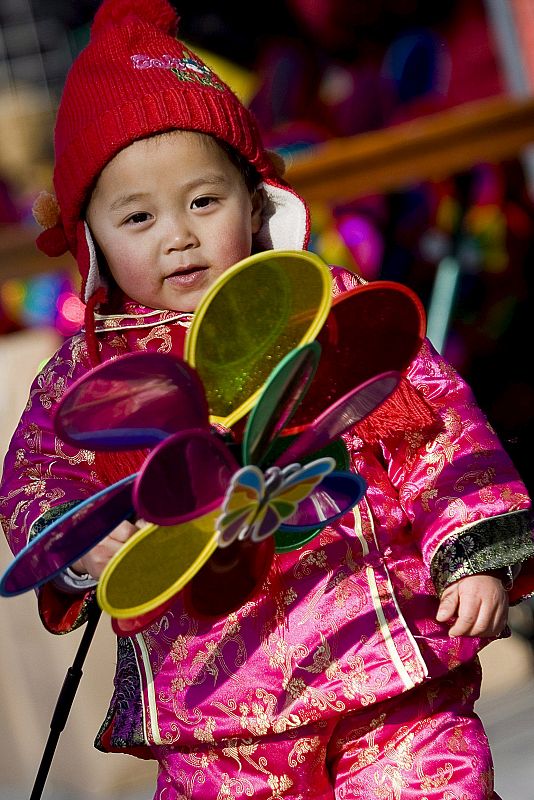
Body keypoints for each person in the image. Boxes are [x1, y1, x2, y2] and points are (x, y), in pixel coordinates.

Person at [1, 1, 533, 797]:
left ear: (254, 203)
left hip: (380, 663)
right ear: (92, 240)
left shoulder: (323, 307)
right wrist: (78, 545)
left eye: (203, 202)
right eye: (138, 217)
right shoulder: (89, 378)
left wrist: (471, 552)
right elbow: (36, 481)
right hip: (214, 704)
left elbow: (436, 426)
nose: (176, 234)